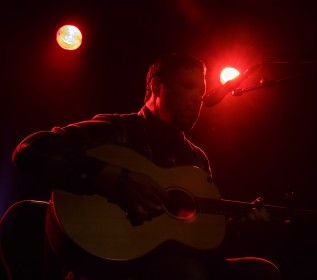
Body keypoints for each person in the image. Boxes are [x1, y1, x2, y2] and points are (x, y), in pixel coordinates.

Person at [12, 52, 282, 280]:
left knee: (261, 271)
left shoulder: (196, 159)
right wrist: (112, 178)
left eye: (200, 91)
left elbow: (195, 236)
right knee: (185, 271)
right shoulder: (118, 130)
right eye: (188, 86)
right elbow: (30, 150)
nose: (197, 98)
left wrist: (235, 226)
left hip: (172, 261)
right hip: (113, 263)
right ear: (156, 87)